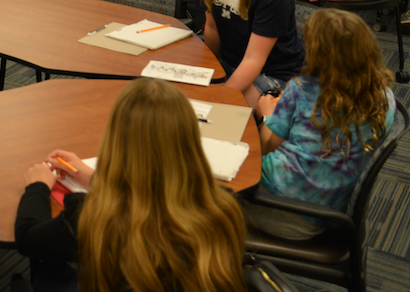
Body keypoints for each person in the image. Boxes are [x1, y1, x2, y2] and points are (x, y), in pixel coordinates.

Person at [15, 77, 247, 292]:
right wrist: (96, 179)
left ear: (115, 142)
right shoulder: (224, 207)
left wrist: (37, 187)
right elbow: (152, 190)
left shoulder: (95, 219)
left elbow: (28, 238)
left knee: (48, 270)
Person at [243, 9, 397, 239]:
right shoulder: (385, 98)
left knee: (196, 183)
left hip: (278, 207)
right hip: (329, 213)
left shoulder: (300, 90)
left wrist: (267, 114)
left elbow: (268, 146)